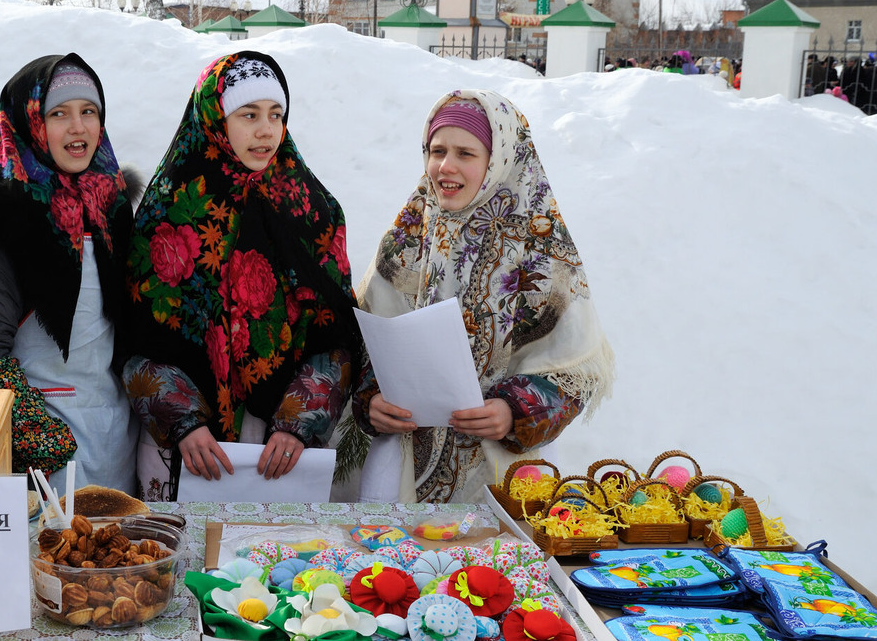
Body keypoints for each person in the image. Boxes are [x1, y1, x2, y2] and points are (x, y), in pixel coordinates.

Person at [338, 90, 615, 503]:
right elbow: (363, 347)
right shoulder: (406, 239)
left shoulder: (542, 250)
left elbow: (575, 372)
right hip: (400, 467)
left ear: (500, 160)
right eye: (437, 150)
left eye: (465, 153)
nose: (444, 167)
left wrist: (514, 411)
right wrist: (371, 401)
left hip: (502, 475)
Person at [122, 51, 359, 501]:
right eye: (248, 114)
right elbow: (135, 341)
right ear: (215, 118)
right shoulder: (168, 210)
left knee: (282, 566)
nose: (266, 130)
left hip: (282, 449)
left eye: (276, 114)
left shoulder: (312, 209)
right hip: (186, 451)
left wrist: (298, 424)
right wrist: (184, 422)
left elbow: (337, 335)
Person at [0, 55, 139, 490]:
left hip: (114, 433)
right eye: (59, 114)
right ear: (29, 122)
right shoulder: (1, 220)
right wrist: (43, 441)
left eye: (89, 112)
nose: (78, 127)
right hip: (40, 452)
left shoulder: (112, 206)